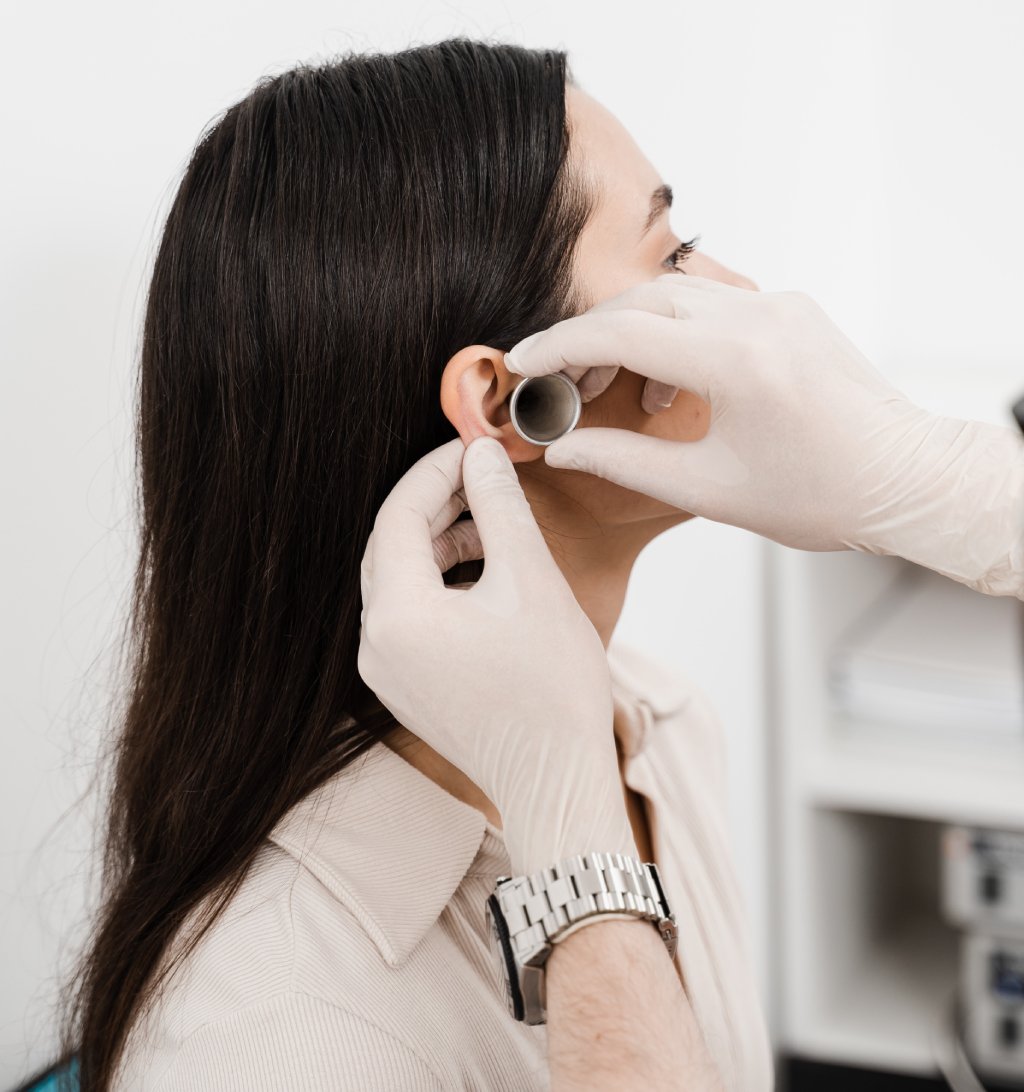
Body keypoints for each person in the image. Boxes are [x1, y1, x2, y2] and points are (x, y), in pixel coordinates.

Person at [61, 38, 771, 1091]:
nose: (741, 291)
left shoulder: (659, 727)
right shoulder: (269, 1038)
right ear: (514, 405)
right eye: (673, 255)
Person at [500, 274, 1024, 600]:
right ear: (499, 403)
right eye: (675, 259)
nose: (745, 291)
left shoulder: (679, 722)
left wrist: (942, 484)